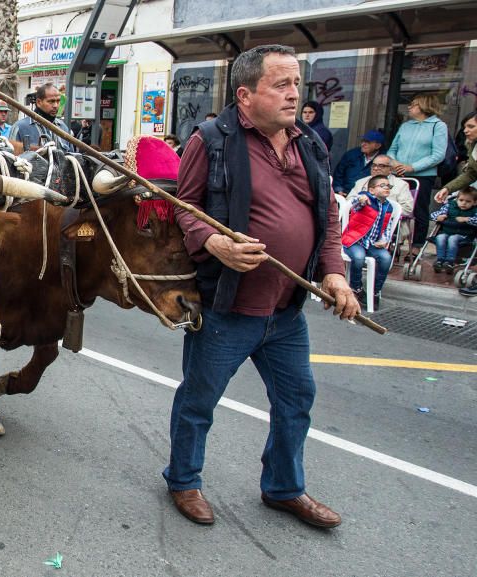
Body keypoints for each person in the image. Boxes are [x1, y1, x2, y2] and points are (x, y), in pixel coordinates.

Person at [168, 44, 356, 529]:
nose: (295, 94)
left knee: (296, 401)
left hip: (286, 312)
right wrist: (216, 244)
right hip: (229, 308)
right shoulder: (210, 139)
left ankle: (283, 488)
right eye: (282, 84)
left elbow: (327, 218)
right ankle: (184, 481)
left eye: (296, 83)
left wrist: (334, 272)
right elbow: (184, 208)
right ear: (246, 95)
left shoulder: (309, 142)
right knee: (198, 402)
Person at [387, 93, 448, 257]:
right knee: (395, 205)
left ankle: (417, 244)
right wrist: (395, 163)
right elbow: (392, 149)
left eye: (413, 104)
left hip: (422, 175)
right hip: (400, 173)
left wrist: (412, 167)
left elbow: (438, 155)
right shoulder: (406, 126)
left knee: (419, 209)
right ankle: (392, 240)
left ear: (424, 106)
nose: (409, 107)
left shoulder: (438, 126)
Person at [342, 175, 397, 305]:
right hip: (355, 240)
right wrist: (361, 198)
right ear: (371, 190)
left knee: (386, 259)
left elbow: (387, 226)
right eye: (382, 185)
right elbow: (355, 204)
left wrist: (385, 240)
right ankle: (356, 287)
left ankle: (375, 291)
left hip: (373, 244)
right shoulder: (365, 199)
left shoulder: (388, 206)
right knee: (359, 257)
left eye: (389, 186)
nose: (387, 188)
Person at [8, 83, 74, 152]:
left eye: (58, 101)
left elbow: (72, 157)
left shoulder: (63, 128)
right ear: (39, 102)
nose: (55, 105)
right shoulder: (20, 128)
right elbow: (10, 157)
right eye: (51, 101)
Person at [348, 154, 414, 218]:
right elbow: (349, 201)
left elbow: (407, 209)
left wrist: (379, 212)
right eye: (374, 165)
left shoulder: (401, 185)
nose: (376, 168)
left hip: (389, 222)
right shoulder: (361, 182)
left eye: (381, 166)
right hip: (361, 220)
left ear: (390, 169)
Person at [430, 187, 477, 273]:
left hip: (464, 235)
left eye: (468, 201)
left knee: (453, 239)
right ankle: (440, 260)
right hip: (447, 231)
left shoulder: (475, 210)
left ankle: (450, 261)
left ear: (475, 202)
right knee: (440, 237)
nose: (464, 203)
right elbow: (433, 214)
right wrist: (438, 217)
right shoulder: (449, 206)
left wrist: (467, 219)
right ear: (457, 199)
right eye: (461, 200)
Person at [434, 111, 477, 205]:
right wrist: (448, 188)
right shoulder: (471, 144)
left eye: (471, 126)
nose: (465, 130)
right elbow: (471, 174)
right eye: (465, 127)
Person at [333, 130, 384, 195]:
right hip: (344, 193)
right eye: (363, 141)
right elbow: (338, 174)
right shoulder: (351, 154)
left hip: (367, 196)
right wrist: (338, 189)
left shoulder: (382, 160)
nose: (363, 144)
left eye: (368, 142)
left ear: (378, 145)